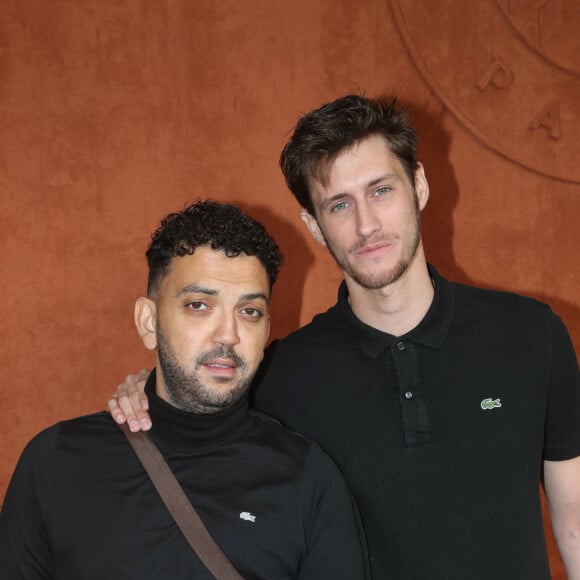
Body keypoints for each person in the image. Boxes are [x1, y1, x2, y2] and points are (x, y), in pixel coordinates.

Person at [109, 97, 580, 579]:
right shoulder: (277, 378)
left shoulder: (531, 336)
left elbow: (575, 524)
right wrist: (142, 391)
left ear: (418, 185)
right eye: (340, 204)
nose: (366, 224)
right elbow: (189, 414)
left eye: (380, 190)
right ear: (314, 225)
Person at [0, 200, 368, 579]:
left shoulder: (308, 481)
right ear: (148, 321)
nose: (229, 334)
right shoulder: (55, 464)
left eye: (250, 312)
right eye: (198, 305)